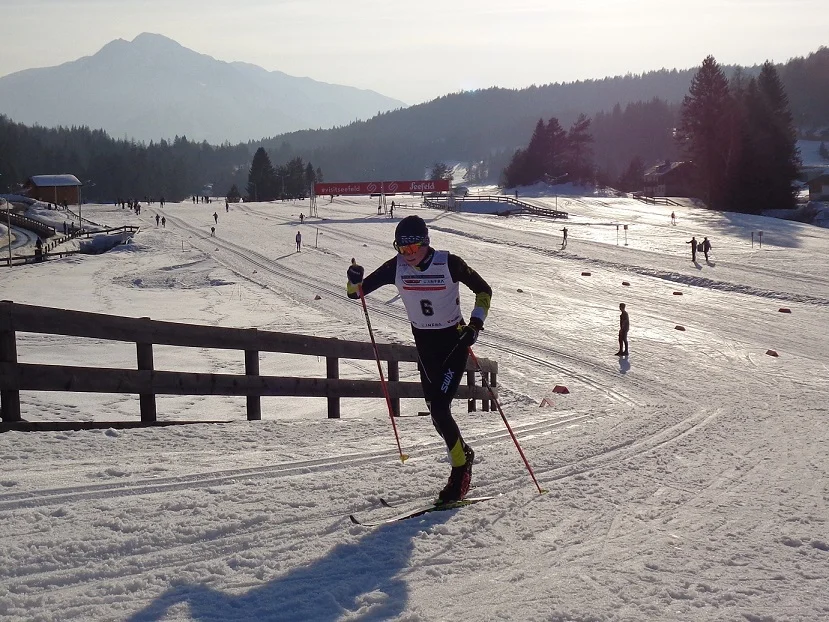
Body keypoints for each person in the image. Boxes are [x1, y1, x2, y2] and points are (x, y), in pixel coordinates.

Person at [346, 215, 492, 503]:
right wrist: (353, 281)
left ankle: (461, 468)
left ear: (426, 243)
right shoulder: (395, 267)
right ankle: (463, 450)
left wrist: (475, 325)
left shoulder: (449, 263)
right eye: (403, 249)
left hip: (453, 342)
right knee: (436, 414)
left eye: (414, 248)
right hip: (425, 348)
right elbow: (357, 294)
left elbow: (483, 290)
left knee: (438, 408)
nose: (409, 255)